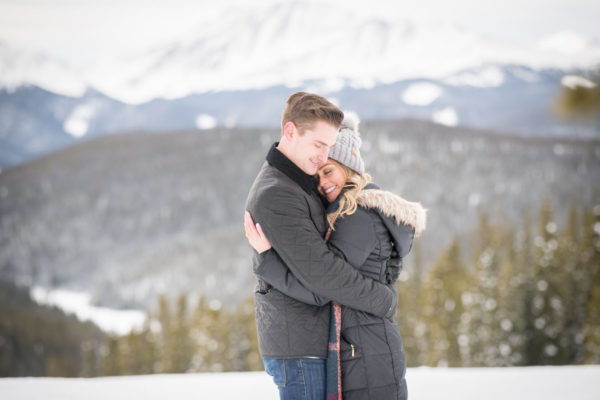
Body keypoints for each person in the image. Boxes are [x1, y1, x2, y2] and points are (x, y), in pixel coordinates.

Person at [245, 112, 427, 399]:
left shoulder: (357, 216)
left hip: (367, 352)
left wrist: (267, 259)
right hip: (364, 347)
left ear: (349, 167)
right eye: (316, 176)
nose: (322, 182)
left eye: (328, 171)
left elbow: (323, 286)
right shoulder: (347, 211)